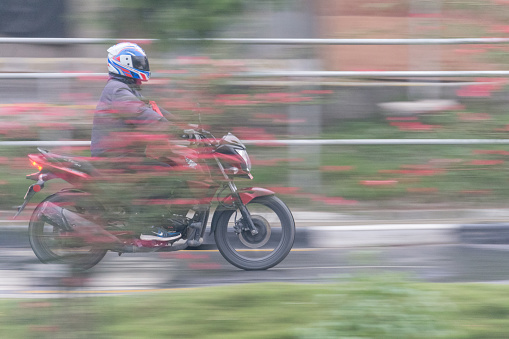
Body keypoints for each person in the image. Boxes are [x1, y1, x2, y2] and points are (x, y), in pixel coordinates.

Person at [91, 42, 184, 242]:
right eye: (138, 63)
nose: (143, 66)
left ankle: (163, 217)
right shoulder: (118, 91)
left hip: (124, 155)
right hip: (115, 159)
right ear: (124, 63)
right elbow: (142, 114)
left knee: (173, 163)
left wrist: (187, 126)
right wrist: (172, 130)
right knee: (164, 173)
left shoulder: (128, 89)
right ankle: (149, 225)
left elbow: (153, 110)